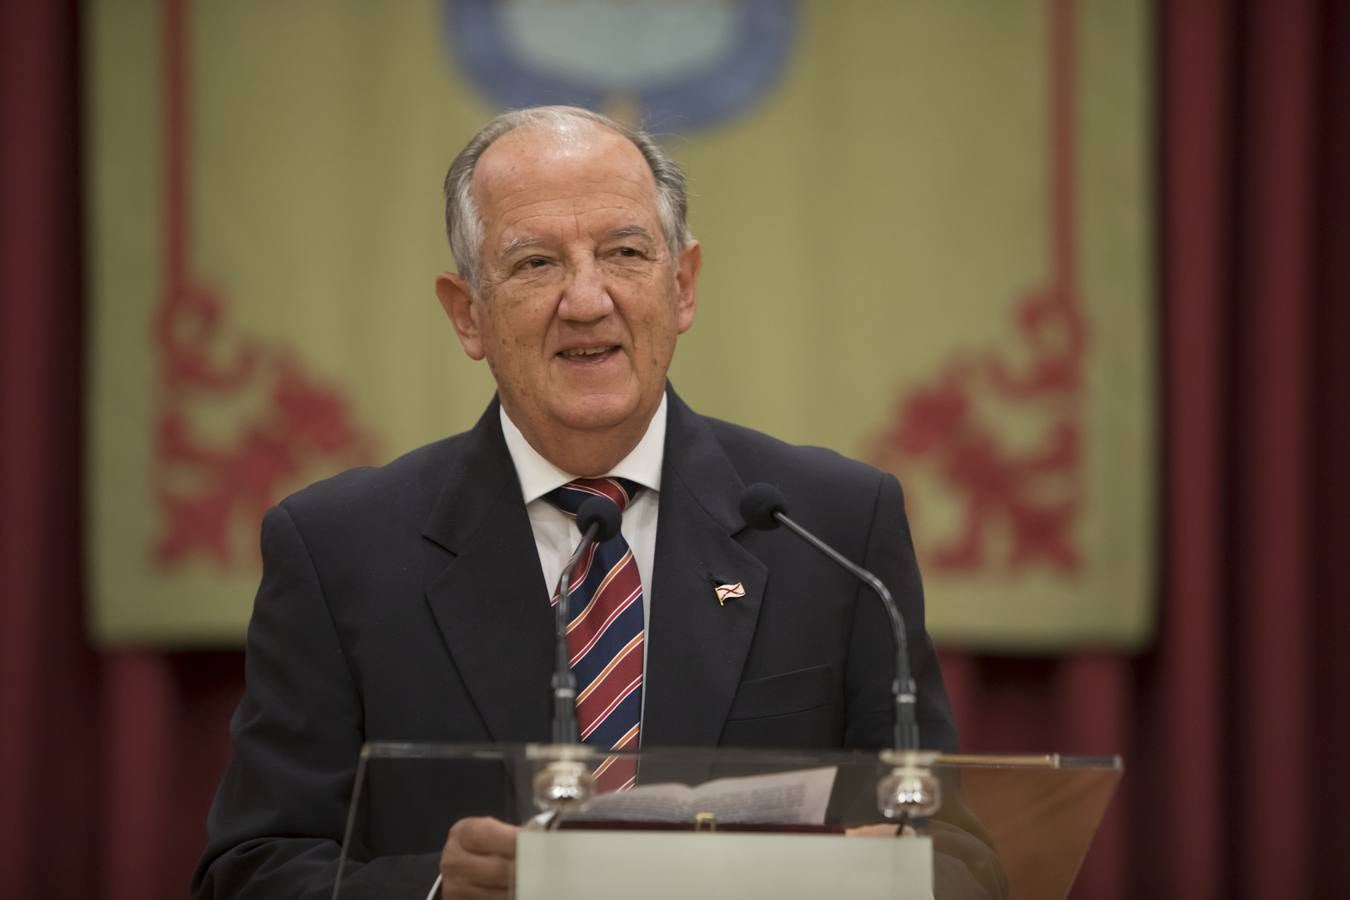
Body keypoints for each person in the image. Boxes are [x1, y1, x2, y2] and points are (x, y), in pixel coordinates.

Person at [192, 106, 957, 900]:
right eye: (535, 265)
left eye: (624, 253)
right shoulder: (337, 550)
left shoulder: (832, 527)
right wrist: (439, 894)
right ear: (467, 314)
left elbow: (958, 849)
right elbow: (251, 872)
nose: (587, 300)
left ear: (683, 286)